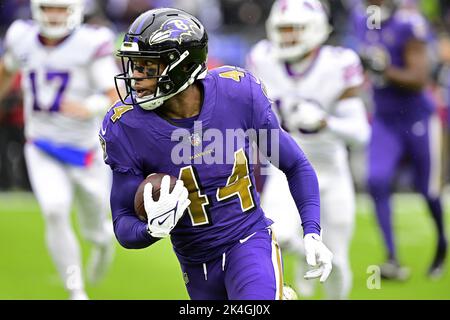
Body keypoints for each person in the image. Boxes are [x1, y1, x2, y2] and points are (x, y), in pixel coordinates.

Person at [100, 7, 333, 300]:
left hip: (248, 240)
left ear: (183, 66)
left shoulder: (236, 93)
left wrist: (312, 231)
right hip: (195, 261)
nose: (135, 78)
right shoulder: (127, 126)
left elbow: (294, 164)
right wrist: (151, 230)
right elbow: (122, 221)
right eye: (134, 66)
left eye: (147, 67)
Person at [246, 0, 370, 300]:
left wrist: (325, 122)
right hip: (286, 167)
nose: (287, 37)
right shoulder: (262, 58)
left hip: (330, 168)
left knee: (337, 260)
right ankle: (304, 253)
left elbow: (361, 133)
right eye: (283, 29)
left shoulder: (338, 63)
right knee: (277, 236)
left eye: (295, 29)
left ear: (315, 29)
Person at [0, 0, 119, 299]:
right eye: (49, 7)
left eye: (60, 8)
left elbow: (113, 91)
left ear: (74, 10)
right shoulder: (21, 36)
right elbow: (7, 69)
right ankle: (75, 289)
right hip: (41, 143)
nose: (54, 15)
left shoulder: (91, 42)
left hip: (85, 150)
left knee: (97, 229)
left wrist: (88, 106)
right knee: (54, 211)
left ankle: (103, 243)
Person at [353, 0, 447, 279]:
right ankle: (392, 258)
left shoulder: (408, 23)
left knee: (428, 191)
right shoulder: (361, 19)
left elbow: (420, 78)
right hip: (385, 119)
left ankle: (442, 243)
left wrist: (385, 70)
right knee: (377, 180)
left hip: (417, 118)